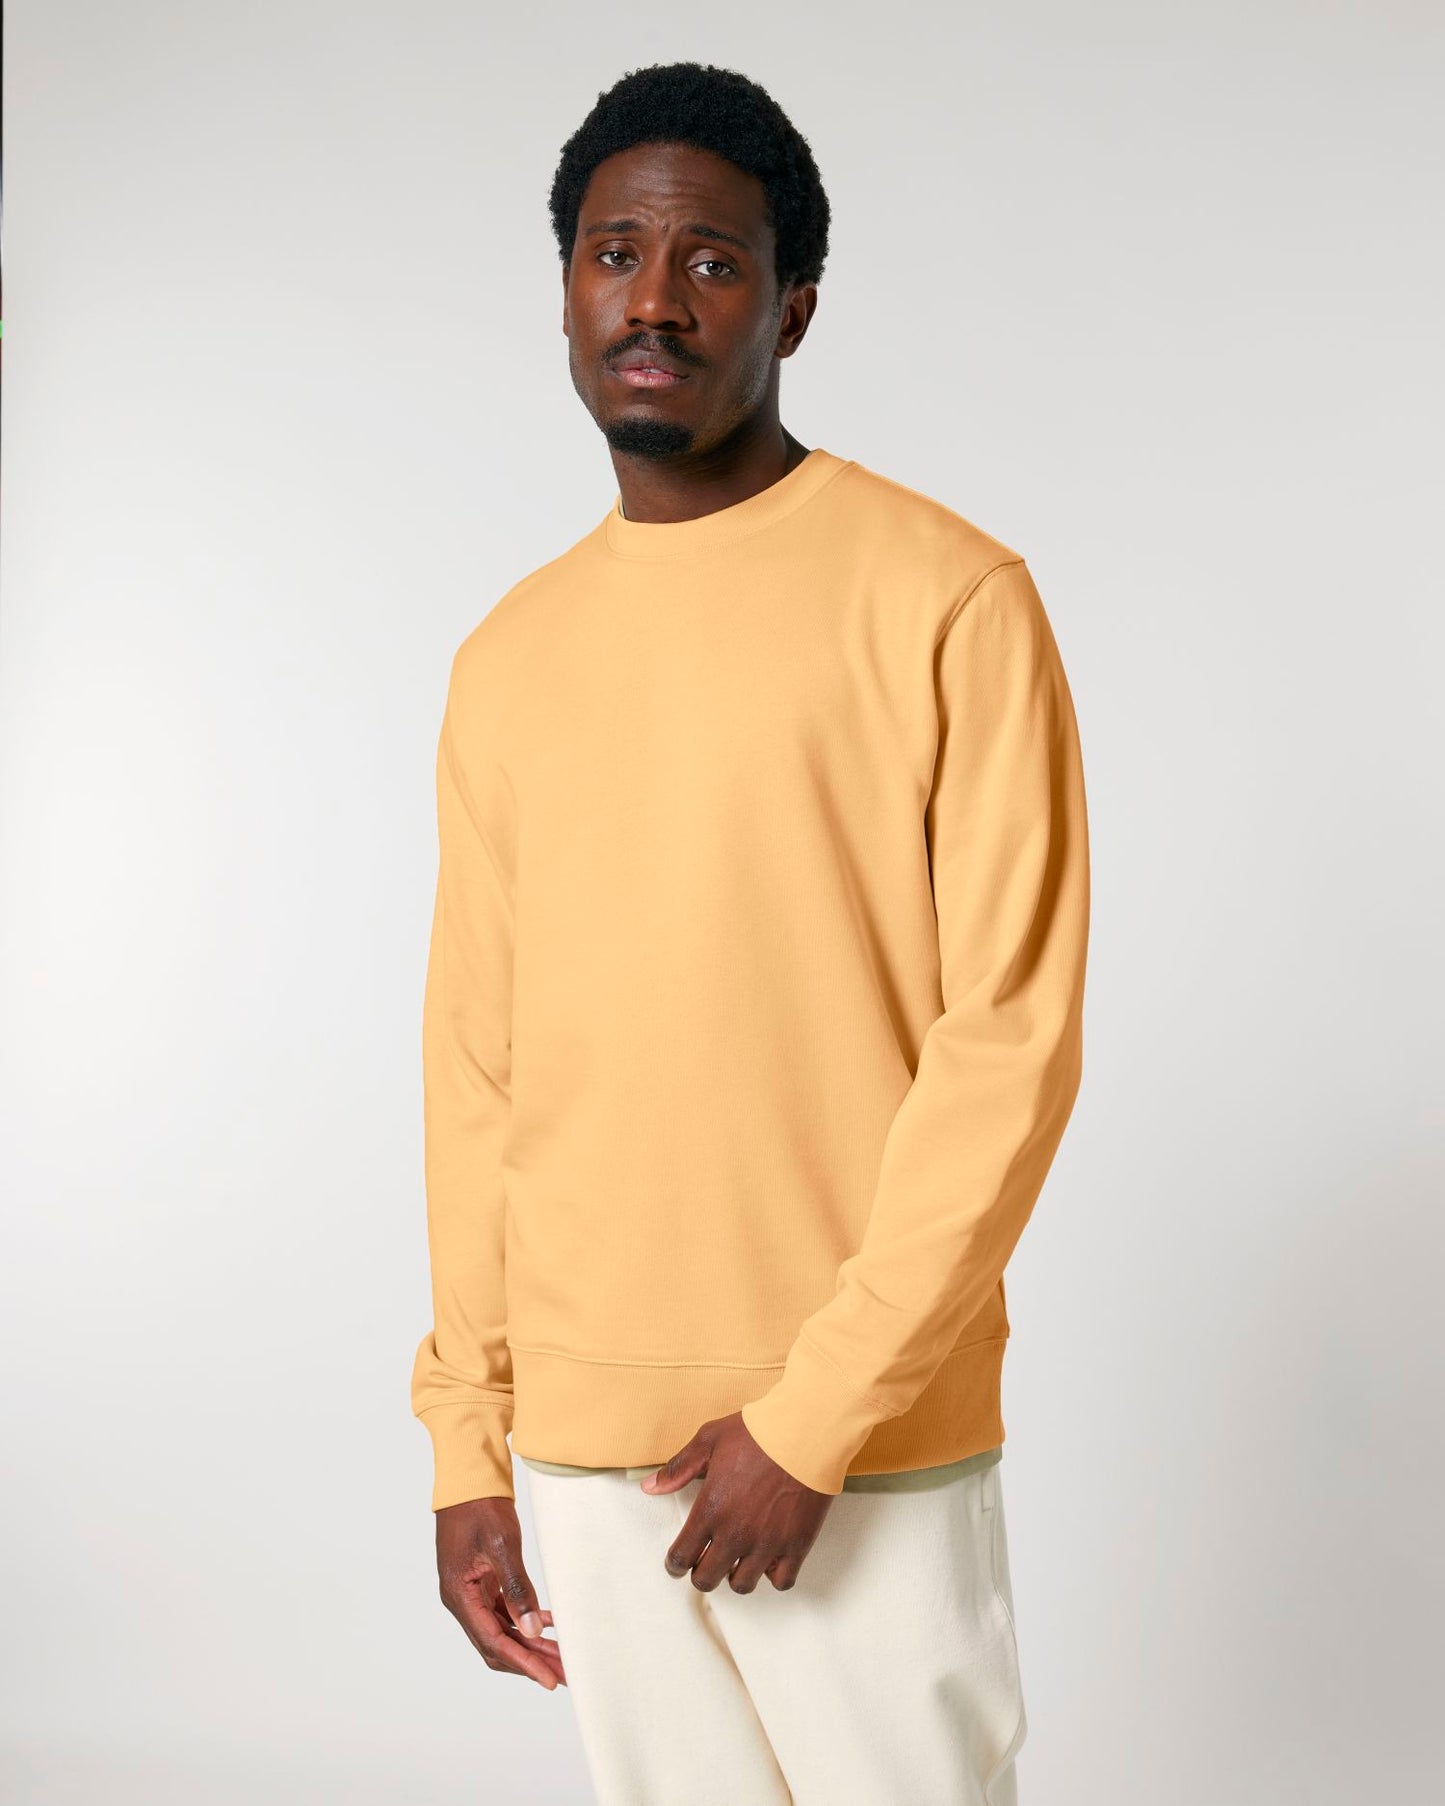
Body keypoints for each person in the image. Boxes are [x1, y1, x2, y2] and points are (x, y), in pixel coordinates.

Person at [410, 59, 1090, 1806]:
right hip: (583, 1442)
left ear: (792, 307)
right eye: (612, 251)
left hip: (858, 1444)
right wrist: (469, 1439)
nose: (651, 297)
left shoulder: (948, 598)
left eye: (709, 261)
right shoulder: (508, 657)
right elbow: (479, 1075)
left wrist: (812, 1416)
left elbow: (1007, 1046)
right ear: (566, 288)